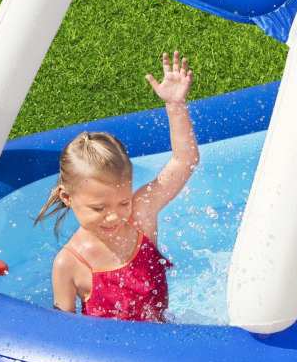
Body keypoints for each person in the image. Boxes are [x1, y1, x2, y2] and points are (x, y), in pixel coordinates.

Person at [39, 52, 199, 322]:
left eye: (123, 202)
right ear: (67, 197)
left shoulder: (141, 215)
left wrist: (175, 105)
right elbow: (62, 333)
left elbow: (184, 161)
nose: (114, 216)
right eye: (98, 208)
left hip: (165, 337)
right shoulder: (69, 263)